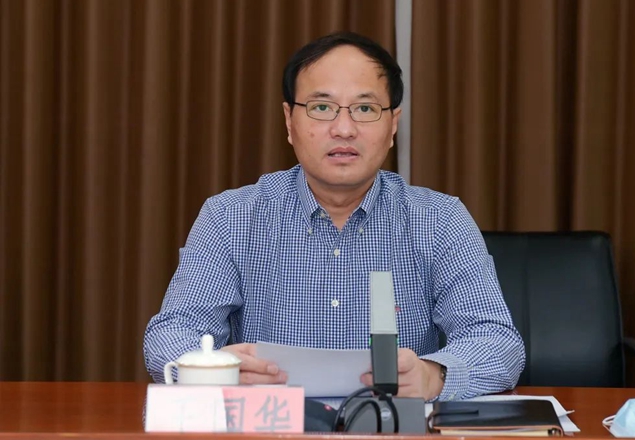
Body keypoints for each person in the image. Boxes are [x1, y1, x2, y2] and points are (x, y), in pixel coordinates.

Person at [144, 31, 525, 401]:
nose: (344, 129)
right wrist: (219, 370)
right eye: (322, 108)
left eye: (365, 109)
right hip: (270, 428)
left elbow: (497, 341)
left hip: (392, 429)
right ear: (289, 121)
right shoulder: (231, 217)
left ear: (393, 124)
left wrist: (433, 375)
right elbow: (172, 332)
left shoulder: (440, 219)